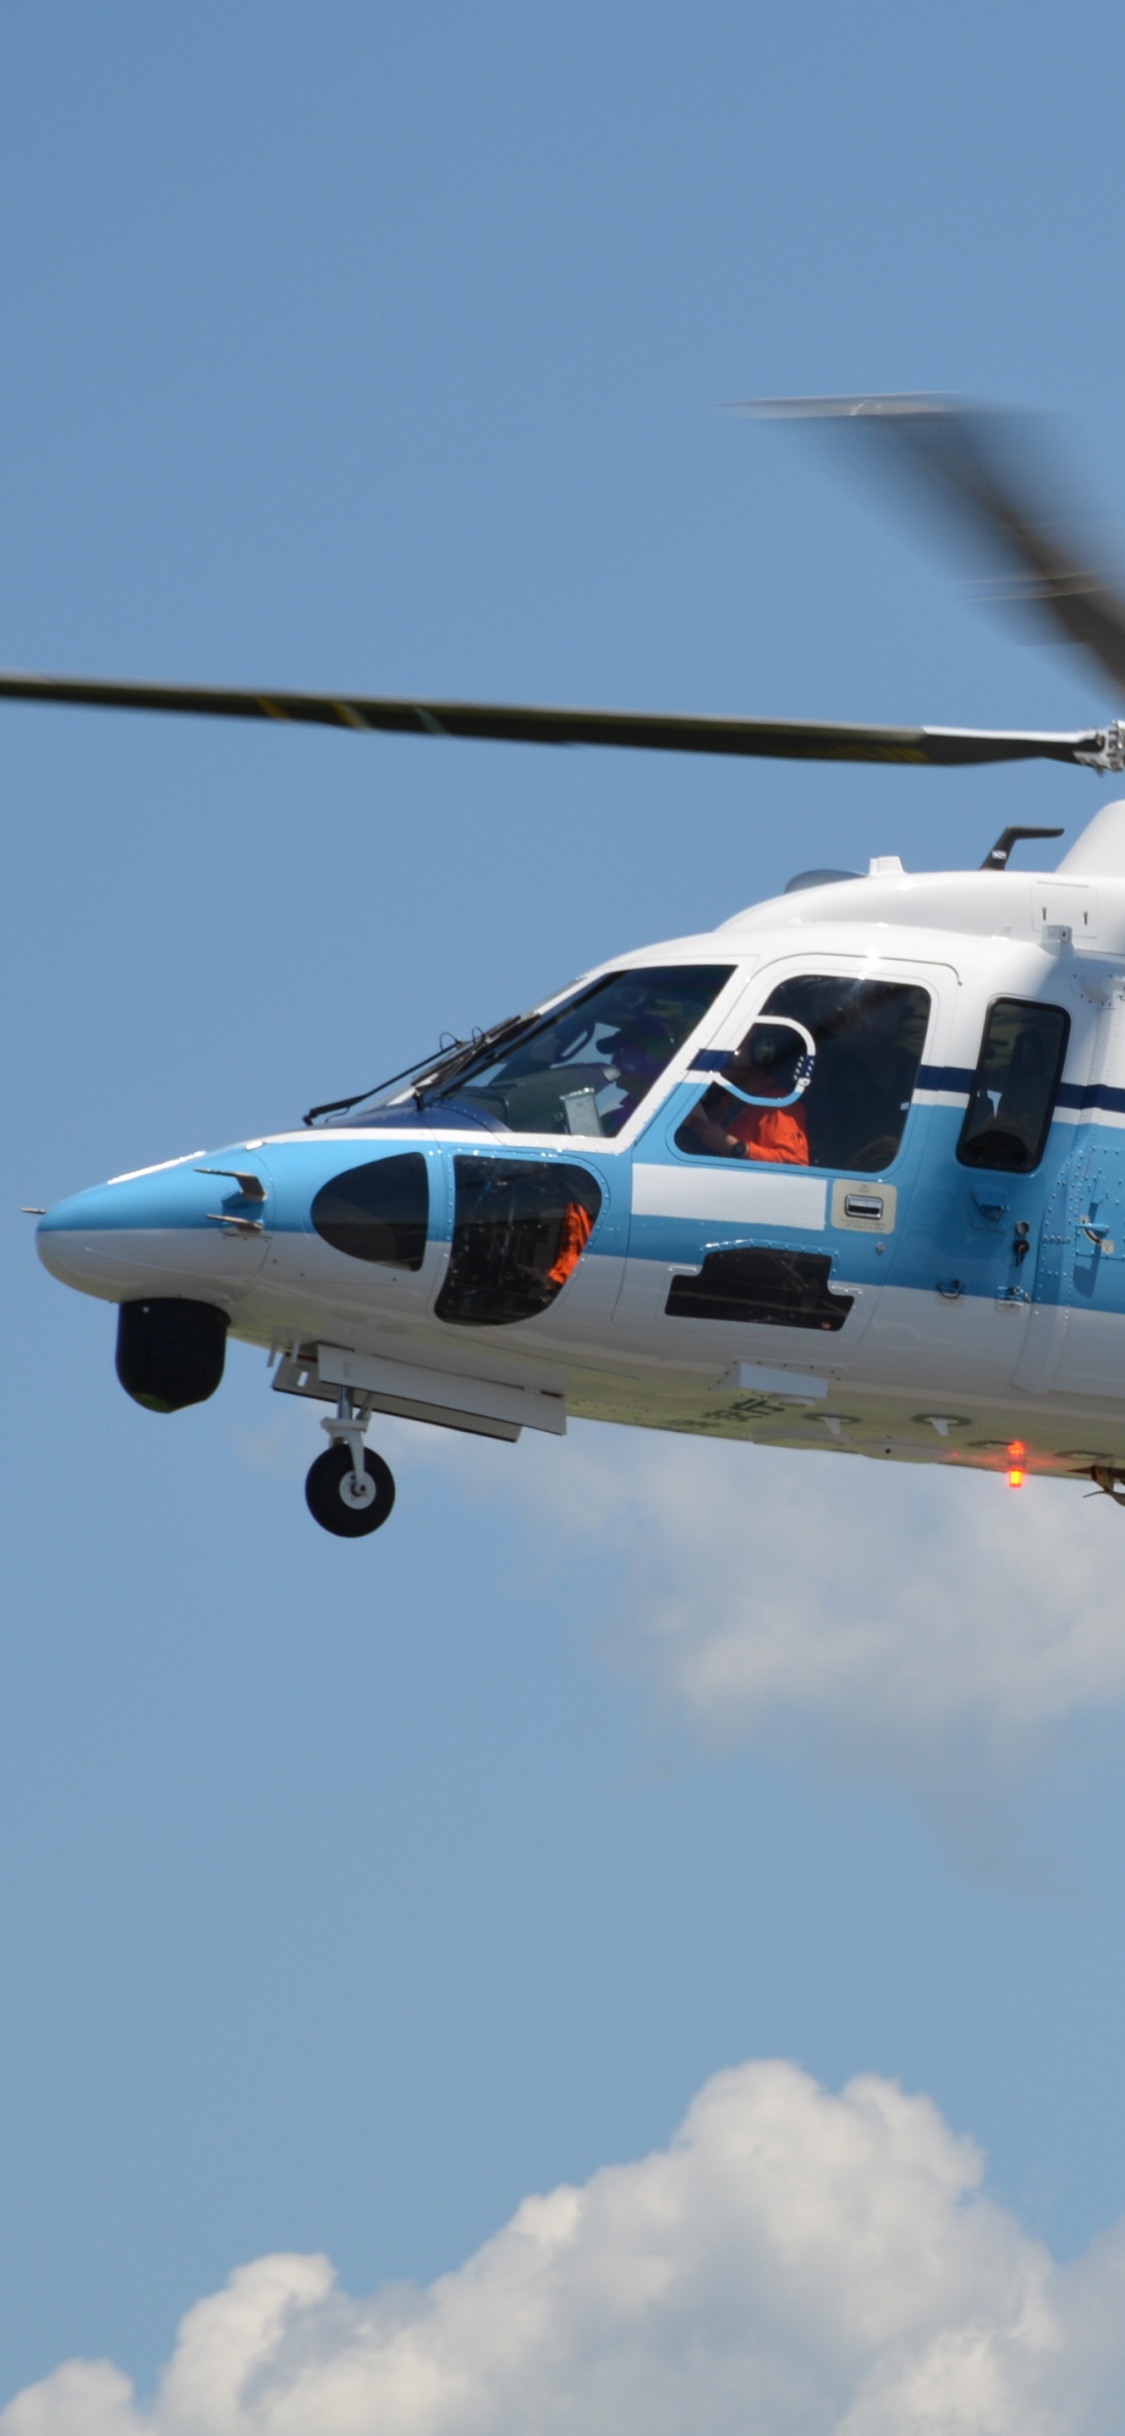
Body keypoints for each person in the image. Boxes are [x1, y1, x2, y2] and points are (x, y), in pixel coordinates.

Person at [679, 1023, 811, 1164]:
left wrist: (733, 1147)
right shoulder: (730, 1097)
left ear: (761, 1052)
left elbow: (796, 1165)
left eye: (735, 1048)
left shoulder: (779, 1105)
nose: (724, 1057)